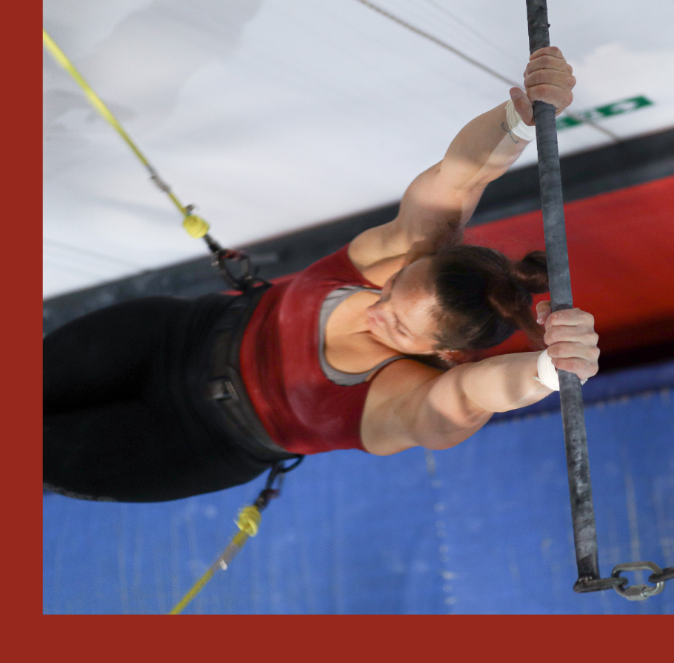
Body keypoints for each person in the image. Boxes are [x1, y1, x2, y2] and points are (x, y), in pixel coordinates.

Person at [44, 47, 600, 502]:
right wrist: (521, 116)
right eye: (393, 292)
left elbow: (472, 396)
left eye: (400, 330)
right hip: (170, 339)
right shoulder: (396, 258)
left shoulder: (404, 397)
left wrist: (551, 369)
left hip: (190, 444)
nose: (379, 309)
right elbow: (459, 179)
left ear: (444, 352)